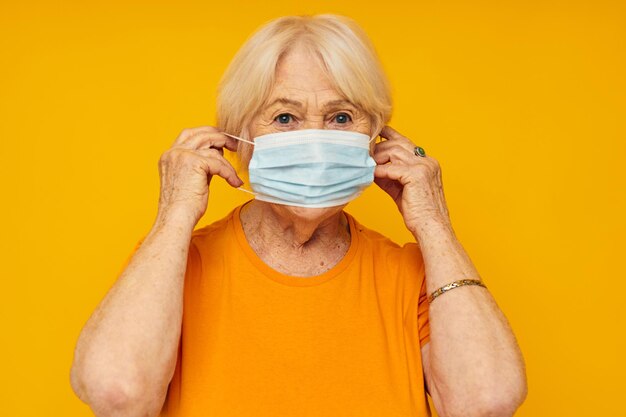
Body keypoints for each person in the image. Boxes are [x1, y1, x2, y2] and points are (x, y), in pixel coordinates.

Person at [70, 14, 527, 417]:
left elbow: (485, 403)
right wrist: (175, 214)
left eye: (341, 118)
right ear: (239, 136)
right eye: (285, 118)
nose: (314, 139)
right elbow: (117, 395)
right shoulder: (175, 265)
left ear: (378, 138)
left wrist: (433, 222)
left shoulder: (412, 277)